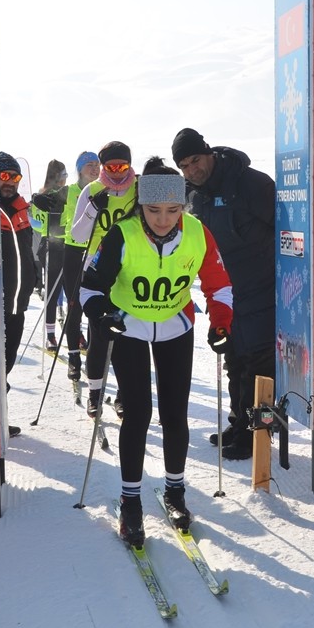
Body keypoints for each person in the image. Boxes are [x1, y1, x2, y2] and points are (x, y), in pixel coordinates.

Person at [79, 173, 233, 544]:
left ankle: (175, 492)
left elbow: (219, 281)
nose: (163, 219)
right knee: (137, 413)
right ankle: (131, 501)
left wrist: (222, 322)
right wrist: (103, 315)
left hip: (175, 325)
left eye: (172, 210)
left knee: (175, 411)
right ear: (140, 206)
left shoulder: (196, 232)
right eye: (153, 210)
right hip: (130, 325)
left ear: (183, 207)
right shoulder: (123, 233)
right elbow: (89, 287)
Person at [173, 128, 276, 461]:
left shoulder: (251, 183)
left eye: (195, 161)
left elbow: (287, 231)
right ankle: (238, 423)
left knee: (260, 367)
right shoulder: (192, 194)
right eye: (184, 166)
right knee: (234, 360)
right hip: (225, 293)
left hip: (262, 287)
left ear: (208, 153)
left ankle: (258, 434)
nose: (192, 170)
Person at [72, 142, 138, 417]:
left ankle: (124, 395)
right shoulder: (92, 190)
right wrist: (91, 210)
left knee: (130, 333)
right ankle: (95, 393)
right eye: (111, 167)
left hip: (133, 268)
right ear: (102, 167)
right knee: (99, 334)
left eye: (123, 166)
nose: (117, 173)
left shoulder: (140, 187)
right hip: (99, 269)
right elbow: (77, 236)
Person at [0, 151, 35, 438]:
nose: (10, 182)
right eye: (4, 176)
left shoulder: (21, 210)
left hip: (17, 304)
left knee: (5, 363)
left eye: (15, 177)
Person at [59, 151, 102, 382]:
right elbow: (51, 199)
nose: (95, 169)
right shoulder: (71, 191)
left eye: (97, 165)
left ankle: (92, 357)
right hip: (74, 250)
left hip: (96, 251)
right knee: (74, 306)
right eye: (90, 165)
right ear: (80, 169)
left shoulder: (103, 190)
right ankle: (74, 358)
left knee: (95, 306)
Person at [30, 160, 69, 351]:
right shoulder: (45, 196)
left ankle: (73, 333)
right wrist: (48, 227)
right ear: (57, 177)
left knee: (71, 291)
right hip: (52, 245)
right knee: (53, 291)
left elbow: (35, 223)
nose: (65, 180)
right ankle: (51, 335)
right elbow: (36, 222)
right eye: (64, 176)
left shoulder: (61, 194)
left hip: (67, 245)